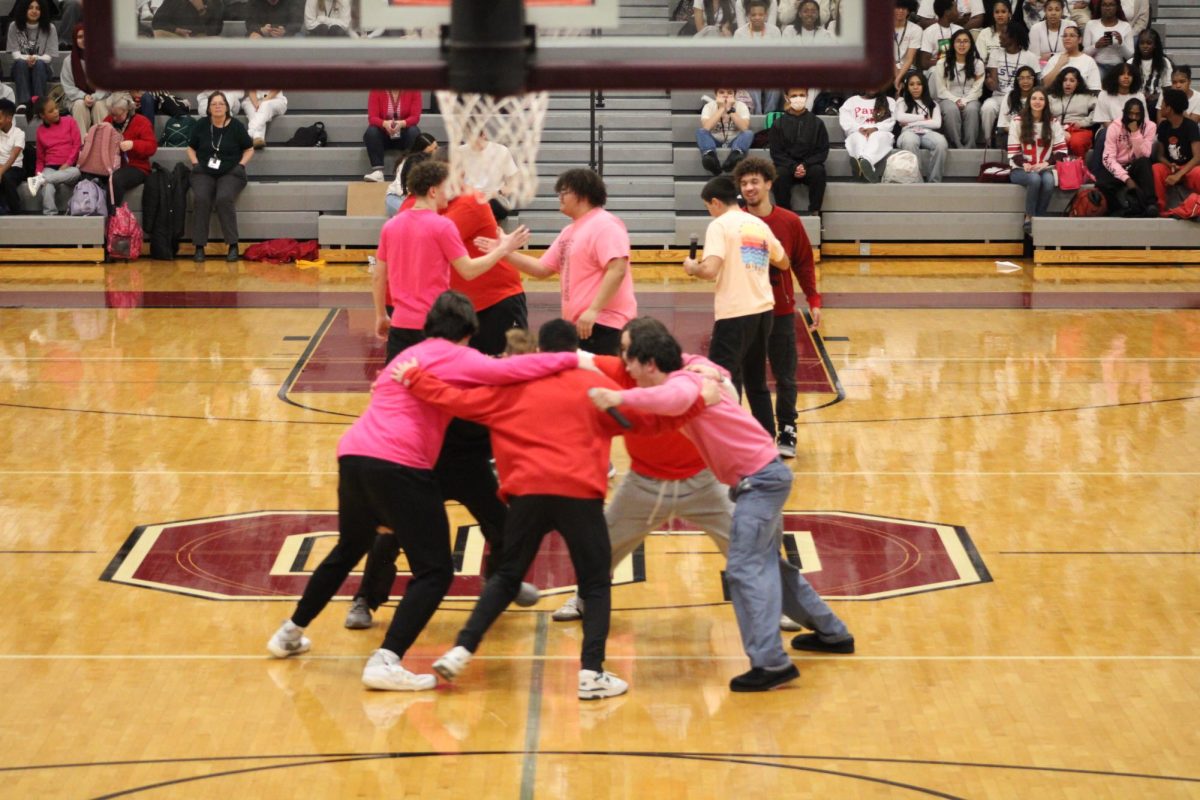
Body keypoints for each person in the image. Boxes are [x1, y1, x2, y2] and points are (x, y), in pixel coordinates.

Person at [266, 292, 588, 691]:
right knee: (435, 570)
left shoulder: (407, 357)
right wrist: (578, 358)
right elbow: (520, 371)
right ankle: (386, 659)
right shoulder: (459, 355)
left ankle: (290, 632)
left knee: (349, 547)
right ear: (468, 331)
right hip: (398, 463)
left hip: (354, 454)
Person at [397, 319, 712, 700]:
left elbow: (461, 402)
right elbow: (644, 423)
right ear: (574, 353)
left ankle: (462, 648)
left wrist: (415, 379)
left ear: (539, 351)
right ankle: (591, 673)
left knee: (506, 577)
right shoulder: (595, 386)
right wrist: (695, 406)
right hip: (578, 493)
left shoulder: (515, 385)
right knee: (595, 583)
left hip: (527, 494)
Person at [588, 320, 855, 692]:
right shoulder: (690, 369)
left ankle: (771, 664)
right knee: (768, 565)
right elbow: (694, 377)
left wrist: (620, 397)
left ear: (650, 362)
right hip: (761, 479)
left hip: (760, 482)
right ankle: (832, 633)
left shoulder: (683, 383)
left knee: (745, 569)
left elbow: (675, 399)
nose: (625, 368)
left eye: (629, 359)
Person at [550, 316, 815, 634]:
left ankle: (783, 604)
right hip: (643, 485)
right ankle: (583, 596)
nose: (621, 357)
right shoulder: (624, 370)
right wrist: (531, 357)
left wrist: (718, 376)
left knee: (752, 543)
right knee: (603, 545)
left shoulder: (692, 370)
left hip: (701, 482)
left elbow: (726, 393)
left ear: (647, 358)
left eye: (626, 350)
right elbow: (581, 358)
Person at [373, 159, 529, 361]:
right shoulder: (441, 225)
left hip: (486, 303)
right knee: (445, 383)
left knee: (400, 384)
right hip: (437, 321)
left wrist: (380, 315)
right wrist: (503, 249)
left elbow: (378, 275)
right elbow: (468, 270)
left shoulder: (393, 225)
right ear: (434, 189)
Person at [486, 168, 635, 355]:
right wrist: (503, 252)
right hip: (580, 325)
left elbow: (617, 269)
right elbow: (542, 269)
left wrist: (593, 310)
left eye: (564, 192)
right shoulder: (569, 231)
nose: (560, 197)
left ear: (583, 194)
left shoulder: (605, 225)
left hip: (604, 324)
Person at [683, 175, 787, 436]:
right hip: (763, 310)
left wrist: (693, 268)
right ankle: (765, 442)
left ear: (715, 202)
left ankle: (730, 440)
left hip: (735, 313)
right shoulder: (757, 224)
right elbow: (784, 261)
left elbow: (710, 269)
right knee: (757, 382)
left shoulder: (720, 225)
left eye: (708, 206)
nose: (709, 212)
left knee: (722, 380)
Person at [733, 156, 819, 457]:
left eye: (755, 181)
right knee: (748, 377)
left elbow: (804, 264)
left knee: (785, 374)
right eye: (744, 183)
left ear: (769, 183)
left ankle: (788, 428)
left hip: (780, 310)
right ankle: (756, 433)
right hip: (746, 312)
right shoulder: (735, 223)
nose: (749, 188)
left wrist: (814, 299)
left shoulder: (790, 222)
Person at [186, 91, 253, 263]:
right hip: (204, 172)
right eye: (214, 104)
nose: (217, 106)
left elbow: (249, 149)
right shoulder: (201, 125)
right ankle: (199, 246)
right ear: (208, 108)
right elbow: (190, 148)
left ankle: (232, 245)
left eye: (221, 104)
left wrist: (241, 166)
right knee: (201, 198)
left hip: (231, 172)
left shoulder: (236, 126)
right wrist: (195, 164)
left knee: (223, 198)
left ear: (227, 107)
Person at [1007, 87, 1067, 231]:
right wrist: (1025, 164)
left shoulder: (1053, 122)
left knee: (1048, 181)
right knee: (1034, 179)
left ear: (1046, 102)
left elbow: (1061, 151)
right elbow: (1013, 152)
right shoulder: (1017, 121)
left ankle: (1038, 218)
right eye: (1034, 98)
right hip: (1020, 169)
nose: (1037, 102)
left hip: (1044, 168)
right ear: (1029, 101)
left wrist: (1046, 163)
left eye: (1041, 99)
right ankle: (1029, 216)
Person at [768, 87, 829, 214]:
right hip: (786, 166)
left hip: (810, 165)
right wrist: (793, 166)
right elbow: (776, 152)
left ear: (807, 96)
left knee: (819, 171)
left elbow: (822, 151)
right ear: (787, 98)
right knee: (779, 173)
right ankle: (784, 213)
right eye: (794, 95)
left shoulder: (817, 123)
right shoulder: (778, 124)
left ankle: (815, 210)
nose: (798, 98)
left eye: (801, 95)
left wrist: (805, 165)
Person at [1097, 97, 1158, 217]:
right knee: (1101, 183)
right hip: (1118, 165)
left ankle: (1151, 204)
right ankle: (1117, 209)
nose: (1134, 118)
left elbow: (1144, 154)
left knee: (1145, 162)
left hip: (1136, 165)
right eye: (1130, 114)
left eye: (1137, 114)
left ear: (1142, 115)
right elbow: (1108, 158)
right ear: (1124, 112)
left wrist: (1135, 133)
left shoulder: (1150, 126)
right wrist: (1126, 178)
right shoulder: (1114, 127)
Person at [981, 21, 1039, 144]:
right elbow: (994, 84)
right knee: (987, 108)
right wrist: (989, 82)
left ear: (1014, 36)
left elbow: (1037, 83)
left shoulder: (1030, 57)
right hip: (999, 96)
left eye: (1004, 33)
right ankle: (987, 141)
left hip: (1021, 97)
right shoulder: (995, 54)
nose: (1000, 36)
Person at [27, 95, 81, 216]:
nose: (56, 112)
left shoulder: (70, 121)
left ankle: (41, 180)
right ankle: (50, 214)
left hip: (68, 168)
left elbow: (76, 145)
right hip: (50, 167)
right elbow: (40, 158)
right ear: (42, 115)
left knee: (76, 172)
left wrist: (68, 163)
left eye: (56, 108)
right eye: (51, 111)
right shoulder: (40, 131)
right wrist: (38, 173)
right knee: (47, 187)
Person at [101, 93, 157, 210]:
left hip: (137, 167)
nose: (114, 118)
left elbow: (152, 147)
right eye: (112, 114)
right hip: (111, 165)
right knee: (90, 176)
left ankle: (112, 217)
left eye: (118, 115)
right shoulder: (108, 120)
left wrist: (133, 144)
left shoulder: (142, 122)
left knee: (115, 179)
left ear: (127, 110)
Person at [6, 0, 58, 120]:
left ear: (42, 11)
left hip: (43, 69)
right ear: (24, 9)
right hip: (20, 69)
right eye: (30, 7)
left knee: (39, 64)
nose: (34, 11)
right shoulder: (14, 26)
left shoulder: (50, 28)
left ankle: (38, 103)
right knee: (20, 63)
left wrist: (35, 58)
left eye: (38, 8)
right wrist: (27, 59)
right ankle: (24, 104)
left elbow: (49, 57)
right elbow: (15, 54)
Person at [1151, 88, 1200, 214]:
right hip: (1172, 168)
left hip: (1189, 168)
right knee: (1156, 169)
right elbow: (1160, 155)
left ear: (1169, 108)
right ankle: (1160, 208)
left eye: (1162, 104)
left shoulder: (1190, 126)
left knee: (1198, 173)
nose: (1160, 107)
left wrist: (1179, 174)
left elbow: (1197, 157)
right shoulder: (1163, 126)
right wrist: (1169, 165)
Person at [897, 70, 950, 182]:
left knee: (941, 142)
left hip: (927, 133)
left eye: (919, 84)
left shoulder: (933, 104)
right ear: (907, 86)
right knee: (910, 141)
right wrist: (924, 117)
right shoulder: (901, 101)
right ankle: (916, 182)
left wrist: (911, 122)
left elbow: (936, 123)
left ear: (924, 86)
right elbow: (900, 117)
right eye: (911, 84)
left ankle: (934, 182)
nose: (915, 87)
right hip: (908, 132)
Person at [935, 30, 985, 148]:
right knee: (951, 110)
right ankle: (956, 145)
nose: (962, 45)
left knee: (972, 109)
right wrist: (956, 100)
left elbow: (977, 89)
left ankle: (970, 147)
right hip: (947, 98)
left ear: (971, 44)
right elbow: (941, 90)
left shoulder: (978, 63)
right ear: (952, 44)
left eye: (965, 41)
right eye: (958, 41)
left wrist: (965, 100)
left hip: (971, 98)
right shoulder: (942, 63)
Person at [60, 24, 109, 141]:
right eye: (80, 37)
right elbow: (68, 87)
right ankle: (82, 144)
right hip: (76, 98)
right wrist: (84, 96)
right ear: (75, 39)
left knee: (99, 106)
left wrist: (94, 97)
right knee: (79, 105)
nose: (84, 40)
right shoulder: (68, 61)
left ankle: (104, 144)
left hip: (101, 97)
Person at [455, 131, 520, 220]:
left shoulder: (501, 151)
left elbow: (514, 181)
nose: (472, 145)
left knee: (489, 207)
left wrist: (499, 192)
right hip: (469, 197)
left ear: (484, 135)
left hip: (494, 198)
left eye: (475, 140)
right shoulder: (461, 151)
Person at [840, 85, 898, 181]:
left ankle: (864, 163)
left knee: (876, 138)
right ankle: (864, 167)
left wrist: (876, 128)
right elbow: (845, 119)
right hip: (858, 131)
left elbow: (891, 121)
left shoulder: (889, 101)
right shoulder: (851, 101)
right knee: (858, 139)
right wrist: (859, 128)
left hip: (881, 132)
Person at [363, 89, 422, 182]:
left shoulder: (414, 91)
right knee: (371, 131)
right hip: (383, 135)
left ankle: (408, 171)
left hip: (404, 135)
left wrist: (401, 123)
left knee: (414, 131)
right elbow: (372, 118)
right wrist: (385, 124)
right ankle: (378, 172)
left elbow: (415, 117)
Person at [697, 88, 754, 176]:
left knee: (748, 133)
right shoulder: (708, 106)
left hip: (734, 141)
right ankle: (710, 156)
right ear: (716, 95)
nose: (725, 95)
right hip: (715, 141)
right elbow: (706, 127)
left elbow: (744, 127)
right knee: (701, 132)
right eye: (721, 92)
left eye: (730, 93)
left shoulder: (741, 106)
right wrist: (721, 108)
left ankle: (736, 155)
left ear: (735, 95)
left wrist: (730, 109)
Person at [1047, 66, 1096, 157]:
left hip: (1078, 130)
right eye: (1065, 80)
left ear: (1077, 83)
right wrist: (1057, 128)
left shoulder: (1086, 97)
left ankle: (1078, 168)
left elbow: (1099, 109)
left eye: (1072, 81)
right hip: (1055, 129)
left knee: (1076, 142)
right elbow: (1044, 114)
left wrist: (1084, 122)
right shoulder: (1051, 97)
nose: (1068, 83)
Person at [385, 132, 437, 216]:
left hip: (422, 199)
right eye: (430, 152)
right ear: (421, 152)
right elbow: (400, 188)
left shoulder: (439, 162)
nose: (435, 153)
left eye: (436, 148)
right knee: (415, 213)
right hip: (398, 197)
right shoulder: (407, 163)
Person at [1040, 22, 1100, 89]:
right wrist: (1059, 65)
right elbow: (1046, 84)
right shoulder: (1055, 58)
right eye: (1065, 36)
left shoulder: (1089, 61)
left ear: (1080, 40)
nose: (1067, 38)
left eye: (1072, 36)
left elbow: (1095, 88)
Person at [1126, 29, 1170, 122]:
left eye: (1149, 43)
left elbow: (1168, 87)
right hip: (1135, 98)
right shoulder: (1130, 62)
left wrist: (1157, 96)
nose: (1145, 46)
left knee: (1153, 105)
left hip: (1157, 101)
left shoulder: (1164, 62)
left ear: (1155, 45)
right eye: (1142, 43)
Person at [1082, 0, 1132, 78]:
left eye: (1111, 5)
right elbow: (1084, 53)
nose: (1107, 8)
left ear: (1117, 7)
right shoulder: (1091, 24)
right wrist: (1096, 45)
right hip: (1098, 66)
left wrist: (1121, 44)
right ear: (1100, 7)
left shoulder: (1126, 26)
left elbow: (1130, 56)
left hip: (1118, 67)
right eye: (1104, 5)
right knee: (1097, 77)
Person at [996, 64, 1040, 142]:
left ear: (1034, 80)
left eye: (1029, 78)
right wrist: (1019, 133)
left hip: (1034, 133)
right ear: (1017, 81)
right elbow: (1003, 124)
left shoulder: (1039, 97)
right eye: (1021, 78)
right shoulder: (1009, 96)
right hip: (1012, 133)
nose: (1025, 81)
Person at [918, 0, 964, 72]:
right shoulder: (929, 32)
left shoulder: (960, 30)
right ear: (947, 12)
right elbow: (924, 63)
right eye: (956, 8)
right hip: (936, 69)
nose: (958, 12)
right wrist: (946, 62)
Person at [1092, 61, 1143, 126]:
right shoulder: (1103, 94)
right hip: (1109, 130)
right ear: (1115, 77)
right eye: (1122, 74)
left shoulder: (1139, 96)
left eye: (1129, 75)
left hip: (1133, 131)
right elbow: (1105, 121)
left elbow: (1144, 120)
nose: (1126, 77)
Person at [0, 100, 27, 214]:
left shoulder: (19, 133)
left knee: (7, 177)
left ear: (9, 118)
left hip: (15, 167)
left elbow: (13, 157)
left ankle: (16, 211)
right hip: (0, 166)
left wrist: (0, 171)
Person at [151, 0, 226, 37]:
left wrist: (201, 9)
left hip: (201, 41)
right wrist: (176, 30)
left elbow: (216, 30)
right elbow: (157, 22)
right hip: (176, 38)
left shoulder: (216, 2)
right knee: (159, 33)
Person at [893, 0, 924, 90]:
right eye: (897, 7)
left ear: (909, 10)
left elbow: (909, 58)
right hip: (888, 68)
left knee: (912, 83)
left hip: (908, 69)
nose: (901, 11)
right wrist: (897, 76)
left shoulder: (916, 29)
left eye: (904, 8)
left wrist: (898, 78)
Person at [973, 0, 1012, 67]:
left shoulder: (1015, 34)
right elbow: (980, 60)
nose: (1000, 15)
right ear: (993, 14)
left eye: (1003, 12)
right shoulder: (984, 33)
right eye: (997, 12)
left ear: (1009, 14)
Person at [1029, 0, 1067, 67]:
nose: (1053, 13)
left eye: (1057, 10)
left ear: (1062, 11)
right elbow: (1033, 57)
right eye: (1050, 10)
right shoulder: (1035, 28)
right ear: (1045, 11)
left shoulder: (1070, 26)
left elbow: (1072, 54)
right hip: (1042, 68)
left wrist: (1050, 56)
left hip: (1066, 66)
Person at [916, 0, 984, 32]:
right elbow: (924, 22)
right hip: (937, 31)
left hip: (965, 31)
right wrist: (955, 22)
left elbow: (978, 19)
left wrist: (957, 31)